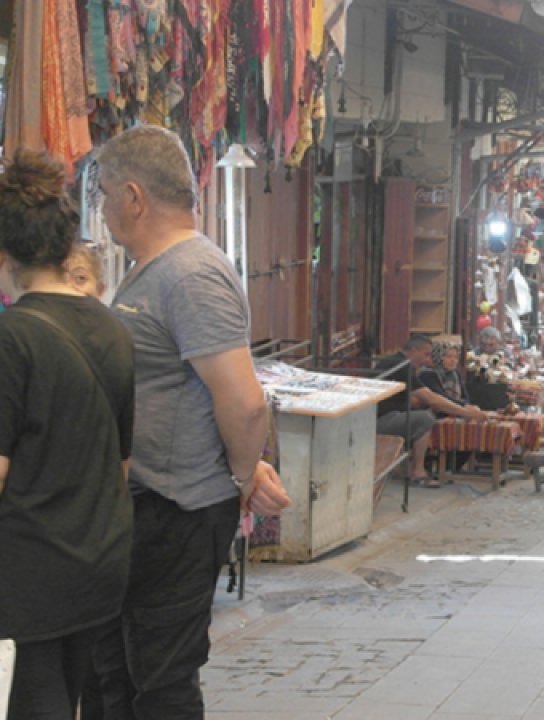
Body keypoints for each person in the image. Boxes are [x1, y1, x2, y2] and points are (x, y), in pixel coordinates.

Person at [93, 125, 292, 718]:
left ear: (133, 196)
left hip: (176, 512)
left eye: (103, 195)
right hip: (150, 508)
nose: (102, 210)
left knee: (161, 679)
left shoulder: (190, 274)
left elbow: (244, 401)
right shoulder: (155, 268)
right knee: (124, 673)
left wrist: (239, 478)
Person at [0, 150, 135, 719]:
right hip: (102, 553)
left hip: (35, 560)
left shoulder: (14, 336)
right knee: (66, 693)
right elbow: (121, 460)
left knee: (33, 701)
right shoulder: (111, 325)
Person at [376, 336, 486, 487]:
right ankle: (418, 471)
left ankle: (409, 466)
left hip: (391, 414)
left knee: (422, 414)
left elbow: (417, 397)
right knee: (425, 419)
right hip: (379, 420)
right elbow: (431, 398)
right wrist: (465, 413)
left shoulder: (401, 363)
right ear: (414, 351)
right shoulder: (401, 365)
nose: (428, 360)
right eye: (426, 354)